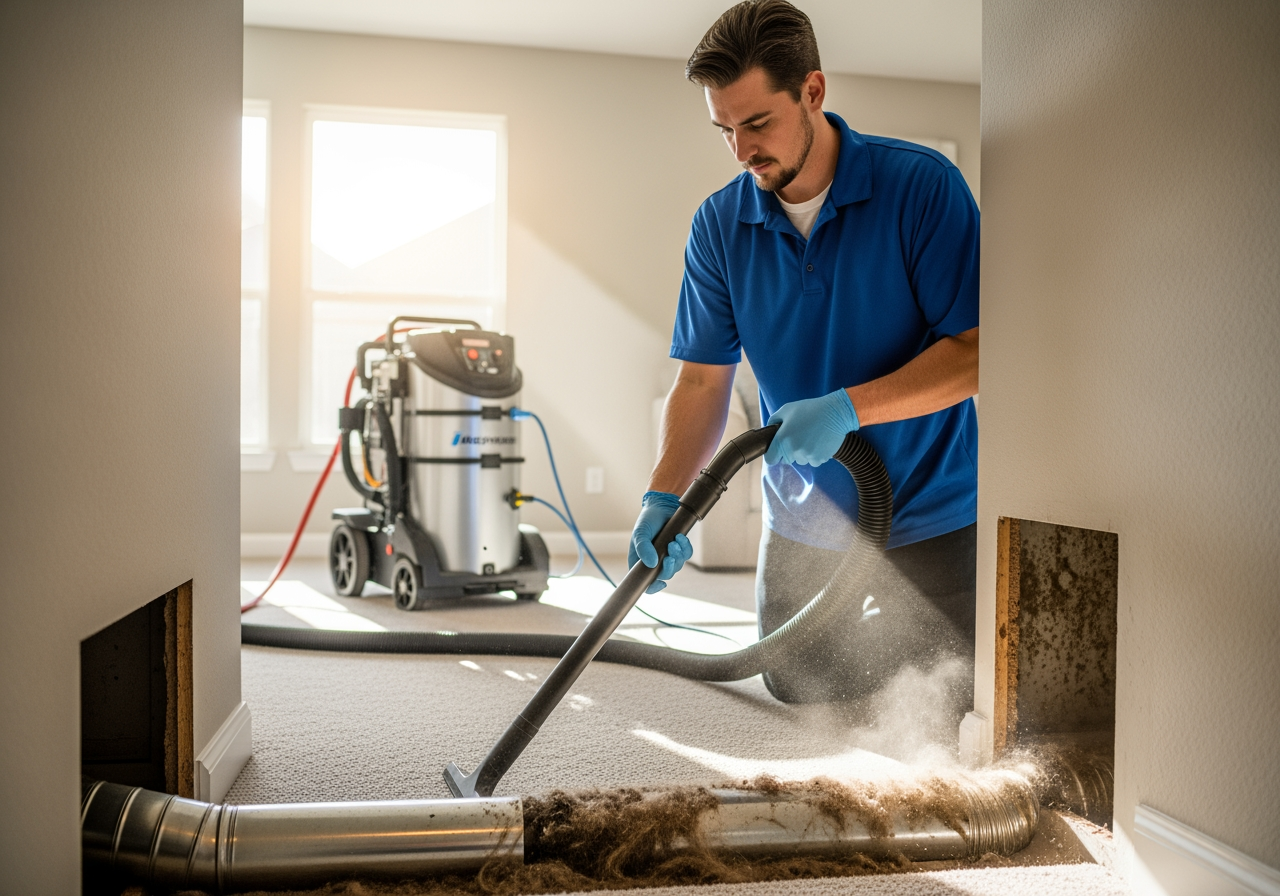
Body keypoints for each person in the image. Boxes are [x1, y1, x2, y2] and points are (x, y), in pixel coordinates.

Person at [628, 0, 981, 705]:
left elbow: (976, 353)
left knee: (951, 689)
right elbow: (702, 381)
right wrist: (664, 496)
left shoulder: (921, 187)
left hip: (931, 507)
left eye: (757, 123)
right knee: (794, 683)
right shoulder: (720, 225)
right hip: (804, 511)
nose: (741, 150)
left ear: (812, 91)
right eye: (725, 129)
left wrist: (850, 408)